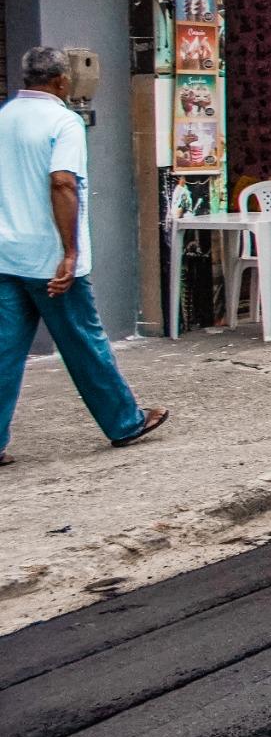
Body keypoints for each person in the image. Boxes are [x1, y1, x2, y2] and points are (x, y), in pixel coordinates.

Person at [0, 47, 166, 465]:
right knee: (84, 343)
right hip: (50, 259)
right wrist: (70, 252)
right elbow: (63, 183)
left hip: (7, 255)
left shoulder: (3, 117)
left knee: (4, 351)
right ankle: (124, 422)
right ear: (60, 81)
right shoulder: (64, 121)